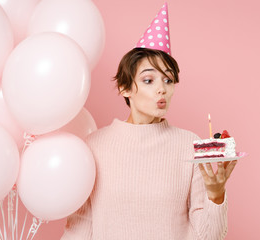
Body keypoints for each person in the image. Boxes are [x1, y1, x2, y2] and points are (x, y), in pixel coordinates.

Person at [61, 3, 237, 240]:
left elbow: (208, 236)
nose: (161, 90)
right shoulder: (94, 146)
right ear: (124, 88)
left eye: (168, 80)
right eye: (148, 80)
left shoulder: (189, 145)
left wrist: (216, 195)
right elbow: (80, 229)